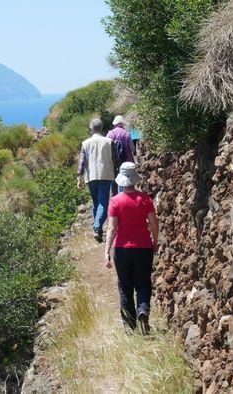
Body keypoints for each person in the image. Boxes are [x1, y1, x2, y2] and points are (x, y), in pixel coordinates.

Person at [104, 162, 159, 335]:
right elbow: (154, 223)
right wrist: (154, 241)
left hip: (122, 249)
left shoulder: (115, 201)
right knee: (143, 283)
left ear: (121, 180)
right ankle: (142, 309)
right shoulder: (145, 199)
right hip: (143, 247)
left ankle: (129, 326)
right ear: (134, 179)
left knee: (125, 286)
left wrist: (106, 252)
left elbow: (112, 228)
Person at [77, 118, 117, 242]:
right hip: (106, 175)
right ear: (101, 127)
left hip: (91, 177)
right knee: (103, 203)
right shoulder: (109, 142)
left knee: (96, 203)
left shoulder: (85, 143)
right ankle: (97, 226)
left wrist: (79, 178)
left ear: (91, 128)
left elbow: (82, 162)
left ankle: (98, 230)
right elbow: (115, 159)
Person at [106, 116, 134, 196]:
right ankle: (124, 195)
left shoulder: (110, 133)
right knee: (124, 179)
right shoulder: (127, 133)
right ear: (122, 123)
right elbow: (132, 148)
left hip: (113, 161)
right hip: (126, 161)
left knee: (114, 178)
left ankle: (115, 197)